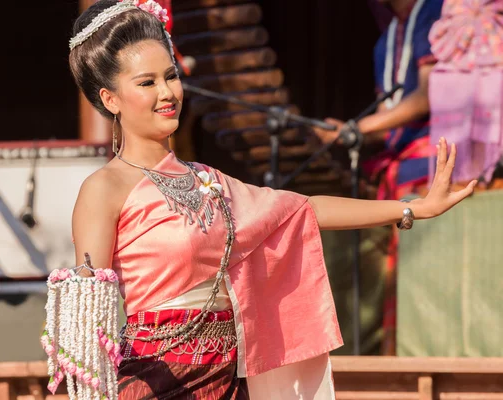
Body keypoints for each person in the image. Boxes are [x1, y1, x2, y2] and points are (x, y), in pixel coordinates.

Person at [46, 0, 475, 398]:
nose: (167, 93)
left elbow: (304, 210)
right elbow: (87, 319)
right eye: (147, 82)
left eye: (171, 75)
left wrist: (414, 208)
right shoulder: (104, 189)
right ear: (110, 98)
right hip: (156, 380)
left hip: (230, 378)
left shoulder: (209, 181)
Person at [314, 0, 444, 355]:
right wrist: (345, 133)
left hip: (431, 161)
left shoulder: (435, 10)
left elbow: (426, 97)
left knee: (422, 270)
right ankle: (396, 356)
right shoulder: (384, 41)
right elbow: (390, 117)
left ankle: (421, 356)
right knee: (392, 275)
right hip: (397, 167)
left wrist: (357, 128)